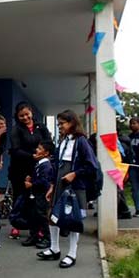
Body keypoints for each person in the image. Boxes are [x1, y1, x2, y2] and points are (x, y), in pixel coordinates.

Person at [39, 110, 98, 268]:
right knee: (51, 215)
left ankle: (72, 254)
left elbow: (92, 166)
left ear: (72, 123)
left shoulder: (81, 142)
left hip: (75, 185)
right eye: (58, 124)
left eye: (62, 124)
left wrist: (75, 174)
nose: (60, 127)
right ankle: (54, 248)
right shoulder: (63, 141)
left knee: (73, 219)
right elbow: (56, 164)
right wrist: (52, 184)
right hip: (59, 183)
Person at [7, 103, 51, 239]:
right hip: (19, 168)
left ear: (31, 112)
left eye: (27, 114)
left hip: (38, 168)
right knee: (19, 197)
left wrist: (42, 154)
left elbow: (49, 142)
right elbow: (15, 150)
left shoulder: (41, 127)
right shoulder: (16, 129)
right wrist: (32, 155)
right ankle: (16, 224)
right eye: (21, 116)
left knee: (37, 198)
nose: (25, 117)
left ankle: (37, 227)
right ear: (17, 116)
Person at [23, 140, 56, 249]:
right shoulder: (39, 163)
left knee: (42, 216)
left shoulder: (46, 166)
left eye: (40, 149)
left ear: (46, 153)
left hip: (42, 195)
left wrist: (31, 184)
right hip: (36, 195)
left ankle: (47, 238)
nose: (36, 150)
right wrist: (31, 178)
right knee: (34, 215)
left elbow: (44, 181)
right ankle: (34, 235)